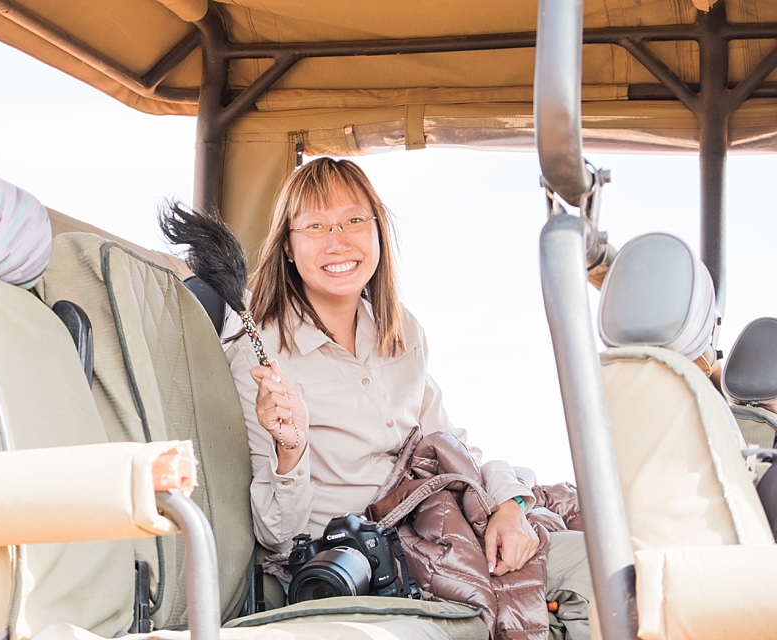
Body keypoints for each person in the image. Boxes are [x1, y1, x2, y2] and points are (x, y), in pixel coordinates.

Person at [223, 158, 589, 637]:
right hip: (358, 561)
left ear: (378, 230)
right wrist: (290, 448)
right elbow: (277, 536)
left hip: (439, 521)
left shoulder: (399, 330)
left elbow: (449, 445)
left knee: (607, 550)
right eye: (315, 226)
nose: (337, 242)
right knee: (592, 577)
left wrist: (508, 505)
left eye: (354, 220)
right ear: (288, 246)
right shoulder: (258, 354)